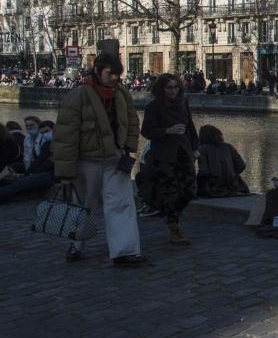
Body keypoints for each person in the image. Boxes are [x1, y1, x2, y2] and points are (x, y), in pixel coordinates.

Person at [52, 53, 145, 265]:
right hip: (87, 160)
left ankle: (124, 251)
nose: (113, 78)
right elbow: (66, 135)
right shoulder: (79, 96)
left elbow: (132, 122)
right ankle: (76, 245)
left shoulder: (121, 94)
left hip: (115, 158)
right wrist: (65, 172)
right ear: (97, 71)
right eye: (109, 73)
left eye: (116, 74)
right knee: (83, 205)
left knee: (121, 204)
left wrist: (129, 147)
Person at [141, 73, 199, 245]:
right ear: (162, 89)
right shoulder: (153, 107)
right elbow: (146, 131)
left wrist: (195, 148)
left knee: (190, 190)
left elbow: (190, 128)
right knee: (171, 192)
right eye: (169, 88)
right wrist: (167, 130)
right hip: (165, 155)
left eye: (176, 87)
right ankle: (174, 226)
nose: (173, 91)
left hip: (184, 152)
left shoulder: (183, 103)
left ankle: (170, 215)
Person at [196, 124, 250, 198]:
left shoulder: (202, 149)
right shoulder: (228, 146)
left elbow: (204, 172)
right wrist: (231, 174)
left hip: (214, 189)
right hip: (234, 186)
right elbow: (241, 166)